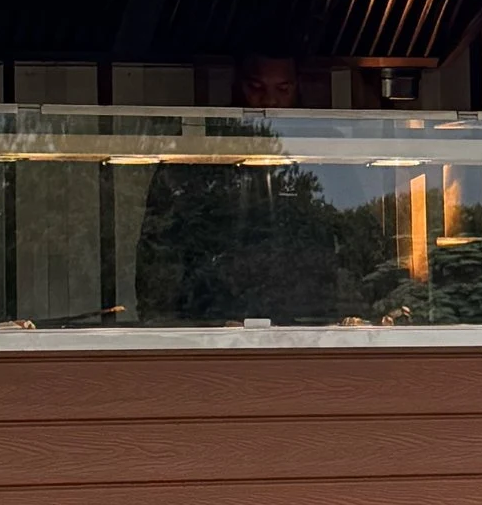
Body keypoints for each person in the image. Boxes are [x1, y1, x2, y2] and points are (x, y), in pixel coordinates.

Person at [130, 54, 354, 323]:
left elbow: (352, 235)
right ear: (237, 85)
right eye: (256, 87)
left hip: (308, 318)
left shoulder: (326, 147)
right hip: (213, 319)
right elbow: (159, 243)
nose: (270, 101)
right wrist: (158, 319)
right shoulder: (203, 144)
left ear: (299, 86)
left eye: (283, 89)